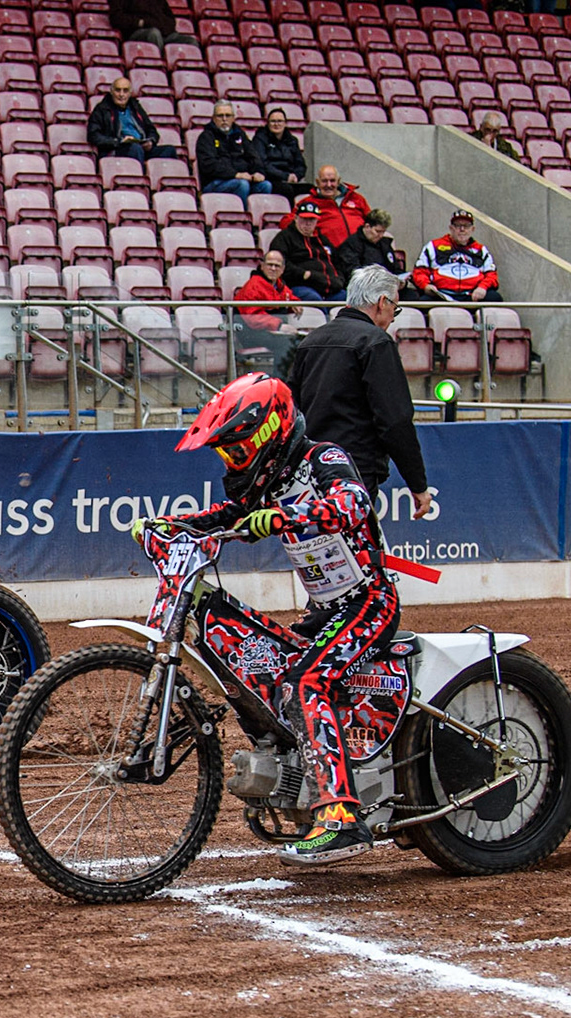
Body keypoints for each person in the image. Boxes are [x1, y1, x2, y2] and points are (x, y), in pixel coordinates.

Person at [152, 372, 400, 866]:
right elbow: (229, 515)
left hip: (369, 602)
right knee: (269, 679)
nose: (232, 462)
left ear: (271, 434)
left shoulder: (322, 458)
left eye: (237, 451)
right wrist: (173, 525)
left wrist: (287, 518)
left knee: (309, 681)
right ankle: (296, 781)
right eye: (224, 454)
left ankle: (342, 818)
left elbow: (353, 504)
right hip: (324, 612)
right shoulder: (270, 480)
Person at [285, 264, 433, 513]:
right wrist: (417, 483)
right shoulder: (376, 342)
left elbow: (291, 409)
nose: (391, 318)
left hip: (310, 467)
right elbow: (394, 420)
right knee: (358, 549)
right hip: (355, 469)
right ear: (382, 302)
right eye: (394, 309)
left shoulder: (310, 341)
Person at [411, 208, 501, 303]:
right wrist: (426, 286)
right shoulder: (433, 246)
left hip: (472, 296)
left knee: (494, 298)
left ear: (472, 229)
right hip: (441, 295)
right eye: (458, 226)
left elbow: (492, 275)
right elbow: (419, 271)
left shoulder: (481, 250)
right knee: (422, 301)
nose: (462, 229)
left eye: (466, 226)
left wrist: (482, 288)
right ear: (451, 228)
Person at [232, 249, 300, 370]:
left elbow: (288, 296)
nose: (273, 268)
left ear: (283, 269)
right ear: (262, 266)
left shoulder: (279, 285)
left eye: (277, 266)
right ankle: (278, 381)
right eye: (270, 265)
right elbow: (253, 317)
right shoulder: (253, 286)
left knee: (299, 343)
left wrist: (295, 303)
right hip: (251, 333)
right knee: (287, 344)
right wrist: (279, 325)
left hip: (269, 332)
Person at [86, 77, 180, 163]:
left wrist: (151, 141)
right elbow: (93, 135)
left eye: (125, 91)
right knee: (135, 149)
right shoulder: (102, 109)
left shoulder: (135, 107)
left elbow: (151, 129)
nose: (121, 94)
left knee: (169, 150)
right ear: (111, 91)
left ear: (130, 93)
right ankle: (142, 180)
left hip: (141, 147)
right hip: (117, 148)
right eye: (118, 90)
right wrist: (119, 141)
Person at [195, 102, 271, 202]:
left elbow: (253, 156)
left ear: (233, 118)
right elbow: (209, 165)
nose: (224, 119)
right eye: (220, 115)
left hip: (242, 179)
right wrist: (235, 174)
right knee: (242, 185)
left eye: (228, 115)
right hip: (215, 182)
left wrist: (258, 172)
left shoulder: (240, 134)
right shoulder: (206, 137)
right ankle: (242, 216)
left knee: (265, 185)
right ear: (213, 118)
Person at [271, 196, 343, 302]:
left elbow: (337, 263)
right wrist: (305, 274)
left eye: (312, 220)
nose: (308, 224)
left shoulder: (322, 240)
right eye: (304, 219)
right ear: (296, 218)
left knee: (349, 299)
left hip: (329, 286)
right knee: (314, 299)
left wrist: (340, 279)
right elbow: (279, 263)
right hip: (299, 285)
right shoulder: (284, 238)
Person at [332, 207, 405, 289]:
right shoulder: (351, 245)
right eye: (377, 231)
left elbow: (395, 268)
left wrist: (400, 280)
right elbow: (353, 272)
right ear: (367, 227)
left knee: (411, 295)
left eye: (383, 232)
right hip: (364, 288)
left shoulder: (384, 244)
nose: (380, 235)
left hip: (387, 286)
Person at [248, 107, 309, 200]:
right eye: (273, 121)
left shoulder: (292, 140)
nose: (276, 124)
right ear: (268, 123)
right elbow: (263, 164)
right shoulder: (260, 139)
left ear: (285, 123)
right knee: (286, 190)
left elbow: (301, 164)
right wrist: (285, 176)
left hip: (290, 179)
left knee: (311, 189)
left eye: (280, 121)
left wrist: (296, 175)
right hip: (271, 179)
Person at [306, 165, 370, 247]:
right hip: (331, 253)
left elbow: (371, 222)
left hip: (361, 250)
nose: (329, 185)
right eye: (324, 181)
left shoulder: (356, 198)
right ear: (318, 182)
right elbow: (289, 222)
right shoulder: (309, 202)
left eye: (332, 181)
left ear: (338, 181)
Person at [108, 0, 197, 46]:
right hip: (137, 32)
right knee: (154, 34)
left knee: (191, 41)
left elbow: (170, 19)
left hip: (164, 33)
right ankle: (161, 68)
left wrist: (164, 27)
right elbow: (116, 18)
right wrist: (140, 22)